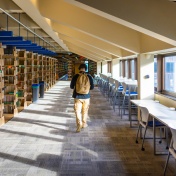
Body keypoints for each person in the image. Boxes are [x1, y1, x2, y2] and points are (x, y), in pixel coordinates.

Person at [70, 63, 94, 132]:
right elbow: (92, 87)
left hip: (77, 97)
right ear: (86, 69)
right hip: (86, 97)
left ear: (79, 68)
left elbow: (71, 87)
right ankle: (84, 124)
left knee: (77, 111)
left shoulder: (75, 76)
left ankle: (79, 125)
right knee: (85, 111)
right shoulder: (89, 76)